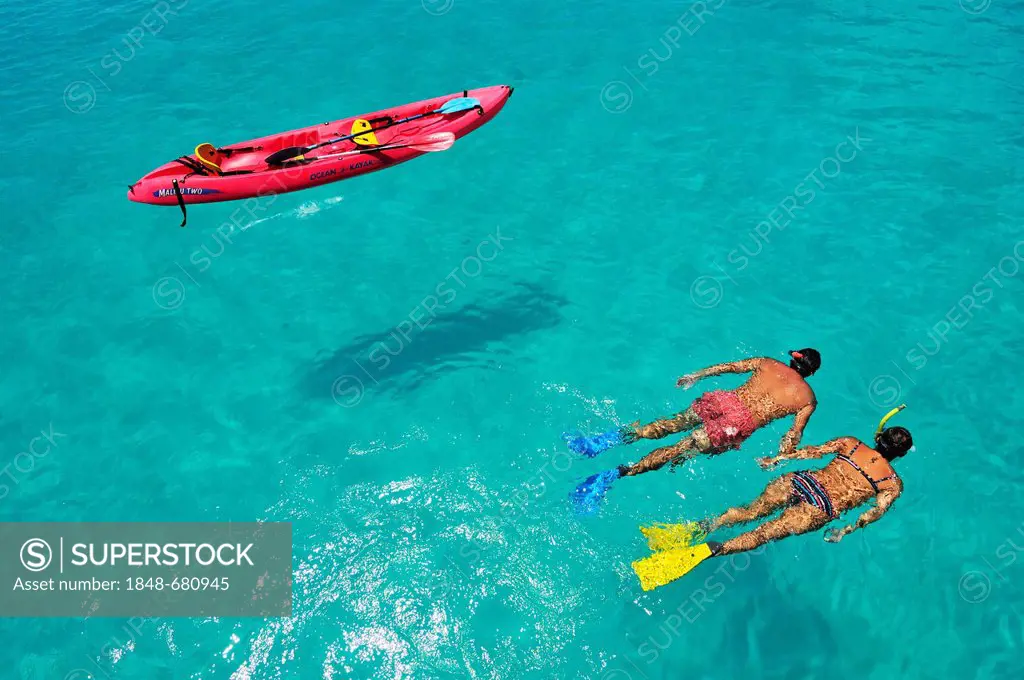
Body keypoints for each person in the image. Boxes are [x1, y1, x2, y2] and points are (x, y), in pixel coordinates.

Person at [630, 406, 913, 590]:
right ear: (899, 455)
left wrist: (777, 458)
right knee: (762, 534)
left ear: (879, 437)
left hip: (804, 480)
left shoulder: (851, 443)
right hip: (822, 507)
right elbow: (873, 514)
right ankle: (712, 549)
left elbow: (810, 452)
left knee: (748, 512)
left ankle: (702, 527)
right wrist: (847, 529)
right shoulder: (891, 483)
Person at [567, 349, 821, 513]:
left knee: (671, 424)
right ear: (812, 372)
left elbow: (731, 366)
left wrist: (697, 375)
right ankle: (620, 472)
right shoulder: (807, 398)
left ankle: (606, 440)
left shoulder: (768, 363)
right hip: (736, 425)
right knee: (679, 450)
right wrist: (779, 458)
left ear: (794, 358)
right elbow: (792, 436)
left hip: (722, 401)